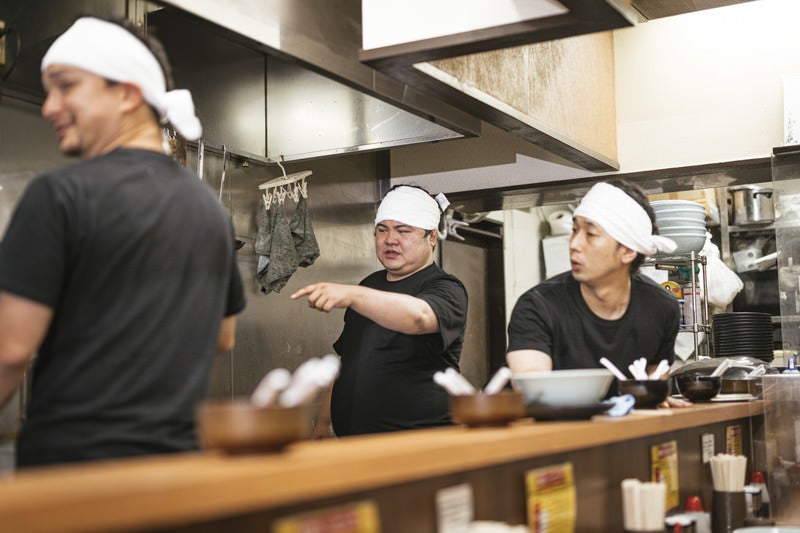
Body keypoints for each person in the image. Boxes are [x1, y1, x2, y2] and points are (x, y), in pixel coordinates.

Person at [0, 16, 246, 467]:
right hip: (176, 467)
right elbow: (222, 336)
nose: (48, 106)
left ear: (128, 93)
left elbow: (9, 350)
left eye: (66, 86)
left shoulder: (61, 195)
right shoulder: (210, 210)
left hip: (78, 475)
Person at [291, 185, 468, 436]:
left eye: (403, 231)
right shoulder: (369, 285)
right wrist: (324, 423)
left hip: (419, 441)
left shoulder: (445, 287)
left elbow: (420, 317)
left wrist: (352, 294)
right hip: (356, 442)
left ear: (431, 237)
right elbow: (348, 360)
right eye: (382, 230)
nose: (390, 239)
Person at [505, 180, 688, 405]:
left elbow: (654, 374)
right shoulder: (538, 306)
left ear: (628, 251)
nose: (574, 243)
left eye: (590, 234)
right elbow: (532, 390)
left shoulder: (661, 308)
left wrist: (656, 396)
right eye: (574, 231)